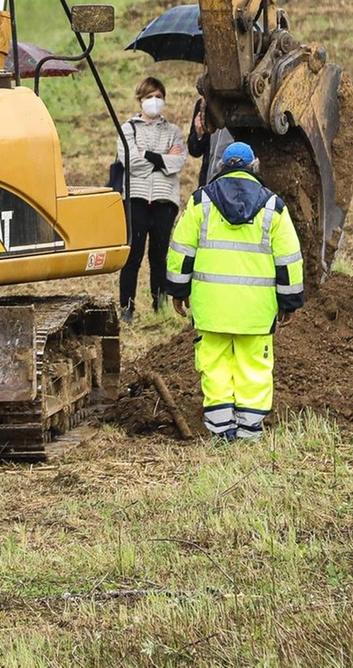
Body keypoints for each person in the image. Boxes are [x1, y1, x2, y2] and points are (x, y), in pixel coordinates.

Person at [166, 142, 304, 441]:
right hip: (256, 311)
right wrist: (289, 302)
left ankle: (220, 430)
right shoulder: (273, 206)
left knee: (214, 365)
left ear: (220, 167)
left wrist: (178, 290)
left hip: (211, 307)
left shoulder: (201, 202)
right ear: (254, 166)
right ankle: (249, 431)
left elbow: (181, 250)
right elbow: (289, 259)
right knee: (253, 367)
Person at [118, 76, 187, 322]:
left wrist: (146, 155)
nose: (154, 102)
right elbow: (130, 162)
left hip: (164, 202)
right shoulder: (128, 128)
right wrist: (161, 158)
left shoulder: (174, 131)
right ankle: (126, 307)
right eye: (149, 97)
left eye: (158, 97)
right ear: (140, 99)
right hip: (136, 199)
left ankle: (160, 307)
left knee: (159, 257)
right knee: (132, 257)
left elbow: (178, 162)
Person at [185, 95, 236, 188]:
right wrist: (199, 134)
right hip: (208, 183)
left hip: (234, 182)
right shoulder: (204, 105)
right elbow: (194, 150)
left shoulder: (245, 107)